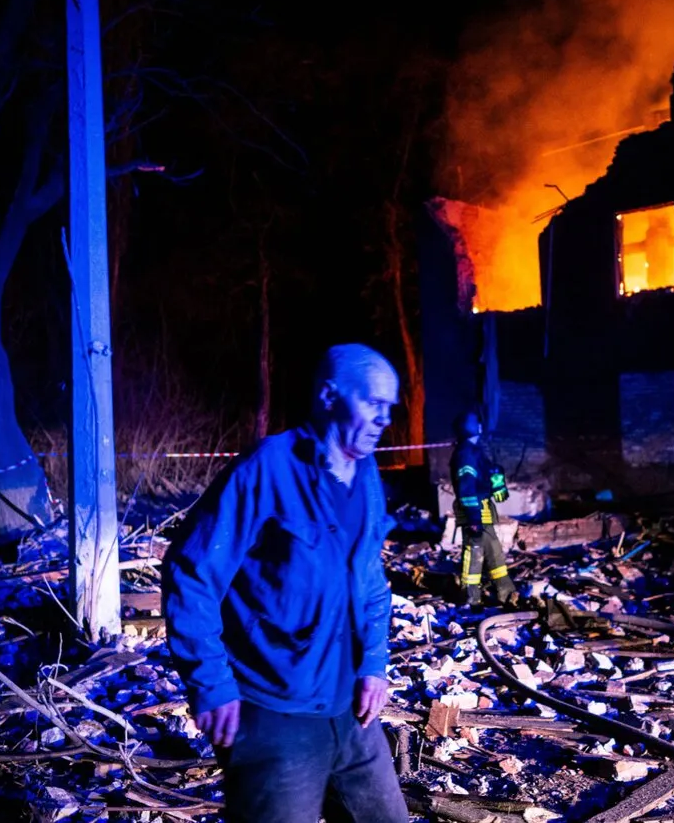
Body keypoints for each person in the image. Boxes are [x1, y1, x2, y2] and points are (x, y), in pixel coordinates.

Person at [162, 344, 408, 823]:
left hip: (351, 713)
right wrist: (211, 685)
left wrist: (375, 663)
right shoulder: (267, 469)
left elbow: (371, 580)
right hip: (273, 713)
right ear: (329, 395)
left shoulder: (369, 476)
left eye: (389, 408)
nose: (383, 419)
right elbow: (192, 574)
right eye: (372, 404)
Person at [449, 408, 518, 608]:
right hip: (474, 513)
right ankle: (471, 598)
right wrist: (473, 519)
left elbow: (486, 476)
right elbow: (467, 488)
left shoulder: (475, 452)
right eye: (478, 423)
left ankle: (506, 593)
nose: (481, 426)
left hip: (483, 510)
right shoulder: (465, 455)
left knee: (494, 553)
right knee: (474, 554)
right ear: (473, 427)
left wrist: (496, 478)